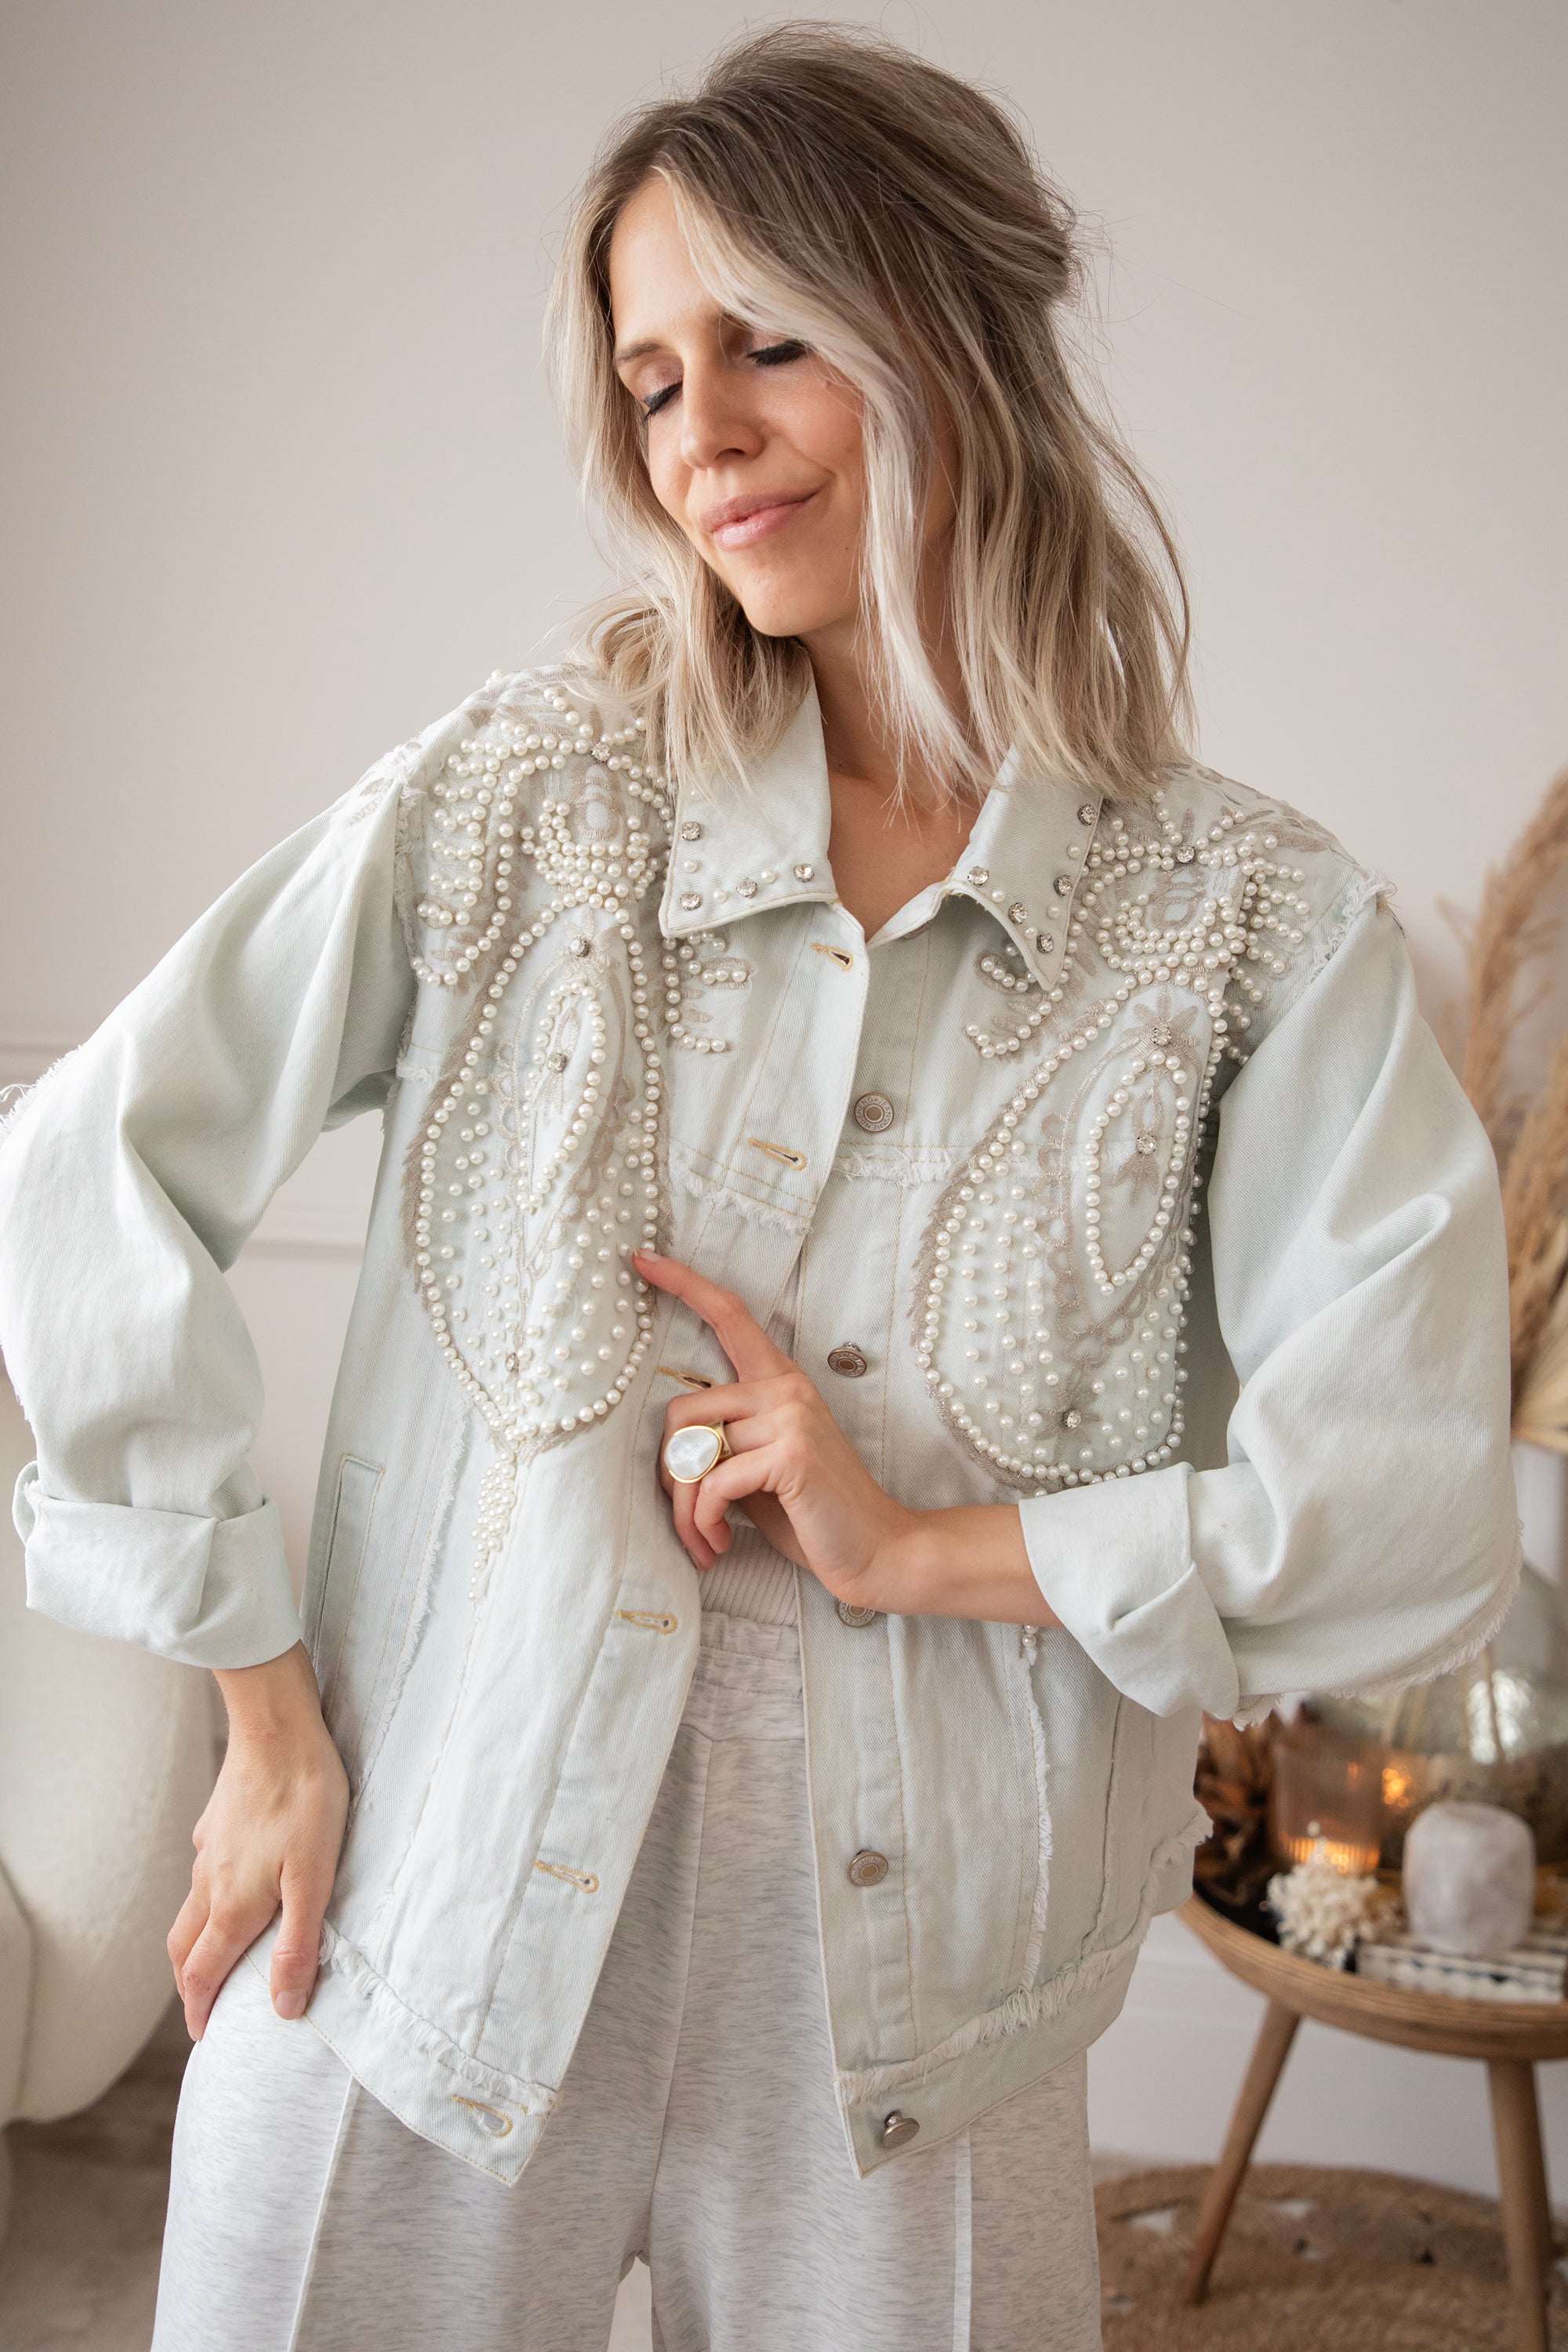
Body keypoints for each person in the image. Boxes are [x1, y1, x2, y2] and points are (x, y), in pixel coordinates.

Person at [0, 25, 1519, 2352]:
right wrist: (264, 1728)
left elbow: (1408, 1509)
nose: (695, 430)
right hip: (410, 1924)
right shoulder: (529, 800)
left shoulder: (1248, 934)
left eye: (767, 342)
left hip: (924, 2049)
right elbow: (86, 1171)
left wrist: (922, 1550)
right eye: (647, 379)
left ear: (948, 321)